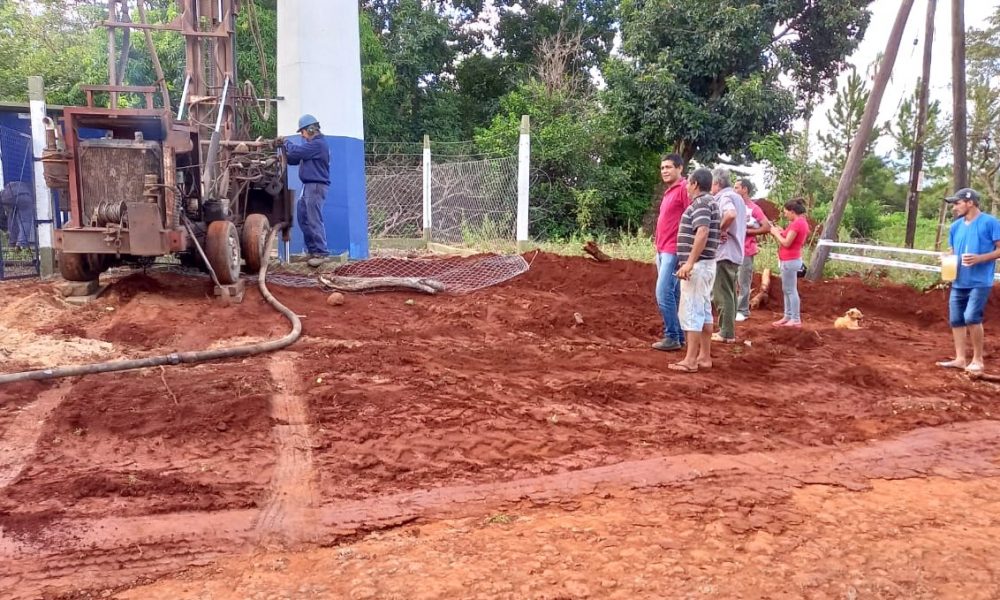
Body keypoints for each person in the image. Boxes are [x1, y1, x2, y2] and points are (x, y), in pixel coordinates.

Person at [936, 188, 1000, 374]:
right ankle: (960, 359)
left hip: (980, 281)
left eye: (957, 203)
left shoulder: (990, 222)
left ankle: (978, 359)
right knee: (956, 319)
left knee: (972, 316)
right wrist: (947, 257)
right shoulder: (956, 226)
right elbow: (954, 251)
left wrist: (980, 258)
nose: (954, 208)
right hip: (958, 280)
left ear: (970, 202)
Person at [670, 168, 721, 373]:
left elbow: (702, 230)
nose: (687, 187)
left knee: (691, 310)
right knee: (704, 310)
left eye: (688, 183)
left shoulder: (701, 203)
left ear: (695, 184)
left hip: (698, 266)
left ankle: (690, 360)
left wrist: (689, 262)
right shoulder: (711, 202)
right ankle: (704, 356)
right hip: (707, 264)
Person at [651, 154, 691, 351]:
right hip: (662, 248)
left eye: (668, 167)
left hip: (673, 250)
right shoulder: (669, 191)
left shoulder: (684, 188)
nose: (664, 171)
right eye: (662, 168)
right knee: (673, 293)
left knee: (662, 292)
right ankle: (679, 336)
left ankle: (672, 335)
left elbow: (692, 217)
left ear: (679, 168)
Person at [283, 114, 331, 268]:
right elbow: (293, 158)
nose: (302, 136)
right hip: (308, 186)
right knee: (303, 218)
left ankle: (321, 252)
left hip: (315, 186)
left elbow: (297, 152)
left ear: (311, 129)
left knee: (313, 218)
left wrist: (285, 142)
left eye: (302, 132)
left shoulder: (318, 144)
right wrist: (284, 150)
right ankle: (313, 251)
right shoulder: (311, 147)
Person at [710, 169, 746, 343]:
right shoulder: (738, 197)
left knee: (721, 293)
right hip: (735, 252)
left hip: (724, 252)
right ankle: (728, 331)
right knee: (730, 293)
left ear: (717, 183)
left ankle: (726, 333)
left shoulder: (724, 197)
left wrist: (719, 230)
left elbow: (730, 214)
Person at [733, 178, 771, 321]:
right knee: (731, 280)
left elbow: (766, 227)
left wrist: (747, 232)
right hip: (732, 249)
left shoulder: (754, 208)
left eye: (737, 187)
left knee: (743, 280)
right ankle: (732, 308)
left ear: (745, 189)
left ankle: (743, 311)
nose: (734, 190)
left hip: (746, 249)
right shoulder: (734, 206)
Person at [768, 199, 809, 328]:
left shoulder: (797, 224)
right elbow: (789, 237)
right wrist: (781, 231)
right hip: (789, 260)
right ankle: (788, 315)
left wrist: (775, 233)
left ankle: (795, 318)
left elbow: (786, 243)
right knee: (787, 289)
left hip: (790, 260)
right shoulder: (799, 223)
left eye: (786, 212)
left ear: (792, 212)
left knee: (790, 290)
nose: (785, 214)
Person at [0, 181, 36, 248]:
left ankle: (12, 243)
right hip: (24, 196)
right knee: (25, 221)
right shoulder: (29, 185)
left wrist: (4, 227)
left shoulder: (6, 190)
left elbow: (1, 214)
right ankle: (21, 244)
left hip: (7, 197)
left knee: (12, 218)